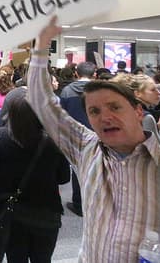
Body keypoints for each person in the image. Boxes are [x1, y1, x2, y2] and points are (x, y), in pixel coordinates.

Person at [27, 16, 160, 262]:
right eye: (94, 111)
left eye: (114, 107)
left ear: (138, 111)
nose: (104, 117)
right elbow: (40, 102)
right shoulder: (87, 149)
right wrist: (41, 44)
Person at [0, 87, 69, 263]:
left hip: (10, 215)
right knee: (43, 259)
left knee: (15, 258)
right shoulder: (53, 142)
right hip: (46, 214)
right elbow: (64, 177)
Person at [59, 61, 96, 217]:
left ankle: (79, 204)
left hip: (74, 135)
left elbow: (61, 115)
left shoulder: (67, 91)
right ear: (94, 74)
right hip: (97, 134)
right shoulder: (100, 90)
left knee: (77, 169)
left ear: (76, 73)